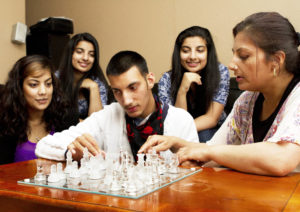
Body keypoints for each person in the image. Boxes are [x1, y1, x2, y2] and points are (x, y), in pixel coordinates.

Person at [139, 12, 300, 176]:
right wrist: (174, 142)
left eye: (243, 56)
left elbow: (282, 160)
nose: (232, 64)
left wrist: (209, 153)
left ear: (277, 60)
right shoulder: (246, 100)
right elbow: (213, 149)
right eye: (234, 54)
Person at [35, 51, 199, 161]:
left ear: (149, 81)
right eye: (117, 91)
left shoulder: (181, 120)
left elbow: (196, 170)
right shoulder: (108, 115)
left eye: (133, 88)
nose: (126, 100)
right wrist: (71, 152)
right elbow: (43, 145)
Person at [0, 55, 76, 164]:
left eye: (48, 84)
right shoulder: (5, 122)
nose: (43, 91)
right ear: (19, 88)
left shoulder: (66, 117)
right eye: (34, 85)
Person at [158, 26, 230, 142]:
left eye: (200, 50)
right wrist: (182, 89)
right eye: (186, 51)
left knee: (203, 134)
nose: (192, 56)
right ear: (179, 53)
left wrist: (184, 131)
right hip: (179, 135)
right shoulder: (166, 80)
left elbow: (212, 118)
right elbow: (177, 122)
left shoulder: (220, 72)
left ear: (208, 52)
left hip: (213, 131)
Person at [58, 32, 110, 121]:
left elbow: (97, 123)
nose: (85, 58)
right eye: (79, 52)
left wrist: (93, 87)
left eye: (91, 54)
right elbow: (52, 118)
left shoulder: (97, 82)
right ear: (70, 54)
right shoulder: (55, 79)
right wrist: (78, 122)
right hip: (58, 132)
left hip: (88, 134)